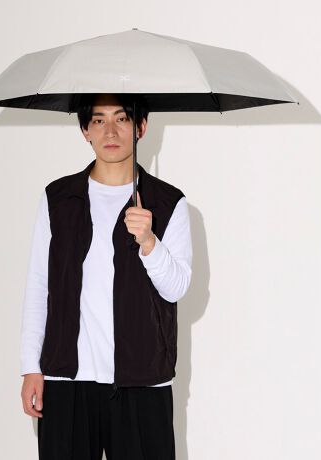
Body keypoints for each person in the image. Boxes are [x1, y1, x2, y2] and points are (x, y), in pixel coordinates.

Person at [20, 93, 193, 460]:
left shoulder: (168, 202)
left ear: (141, 127)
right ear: (85, 130)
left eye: (122, 118)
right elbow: (39, 285)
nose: (110, 131)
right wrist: (31, 367)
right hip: (67, 378)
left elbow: (176, 287)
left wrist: (149, 241)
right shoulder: (58, 198)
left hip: (142, 379)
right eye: (98, 120)